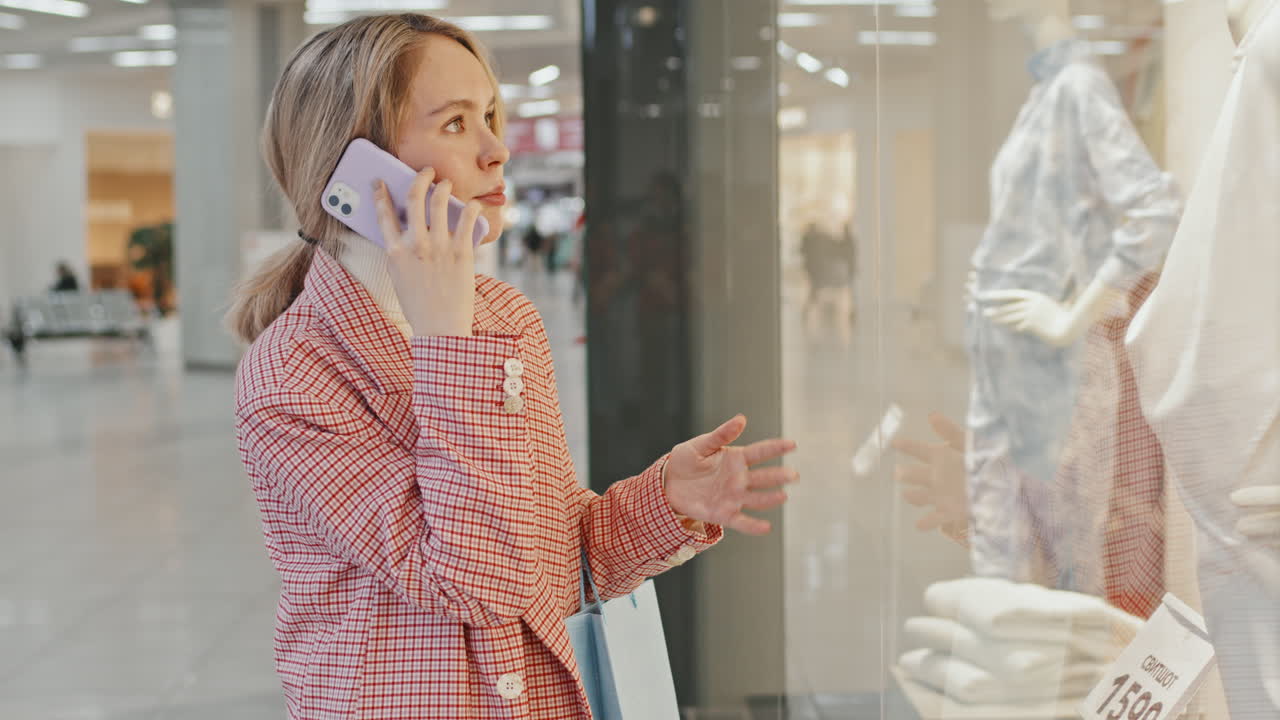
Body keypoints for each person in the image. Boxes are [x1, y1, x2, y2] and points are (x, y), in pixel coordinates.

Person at [225, 14, 798, 719]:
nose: (498, 149)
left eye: (491, 116)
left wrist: (666, 501)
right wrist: (446, 337)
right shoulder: (293, 374)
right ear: (355, 163)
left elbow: (552, 567)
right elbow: (475, 586)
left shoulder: (505, 318)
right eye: (458, 123)